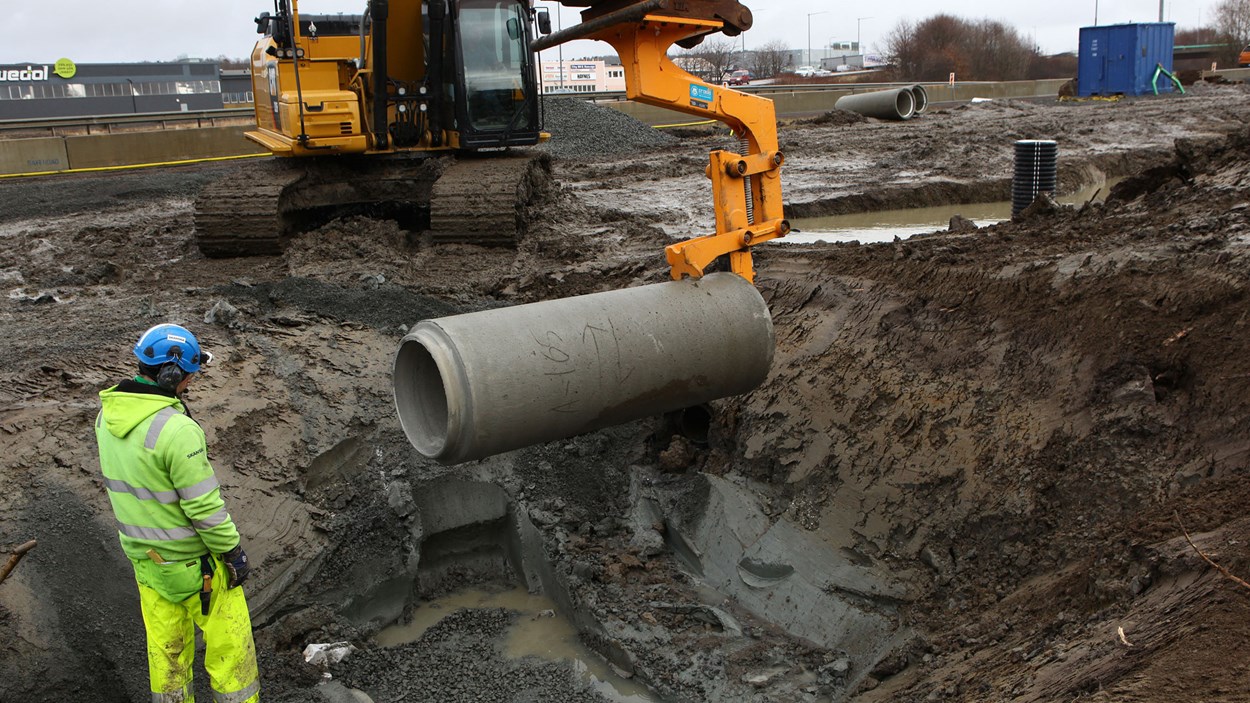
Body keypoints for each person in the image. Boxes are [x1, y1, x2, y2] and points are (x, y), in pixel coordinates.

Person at [94, 323, 260, 703]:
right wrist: (232, 553)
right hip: (195, 566)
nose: (190, 382)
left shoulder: (107, 418)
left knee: (167, 658)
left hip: (148, 564)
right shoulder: (177, 430)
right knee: (231, 652)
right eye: (189, 375)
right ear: (172, 374)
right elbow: (204, 507)